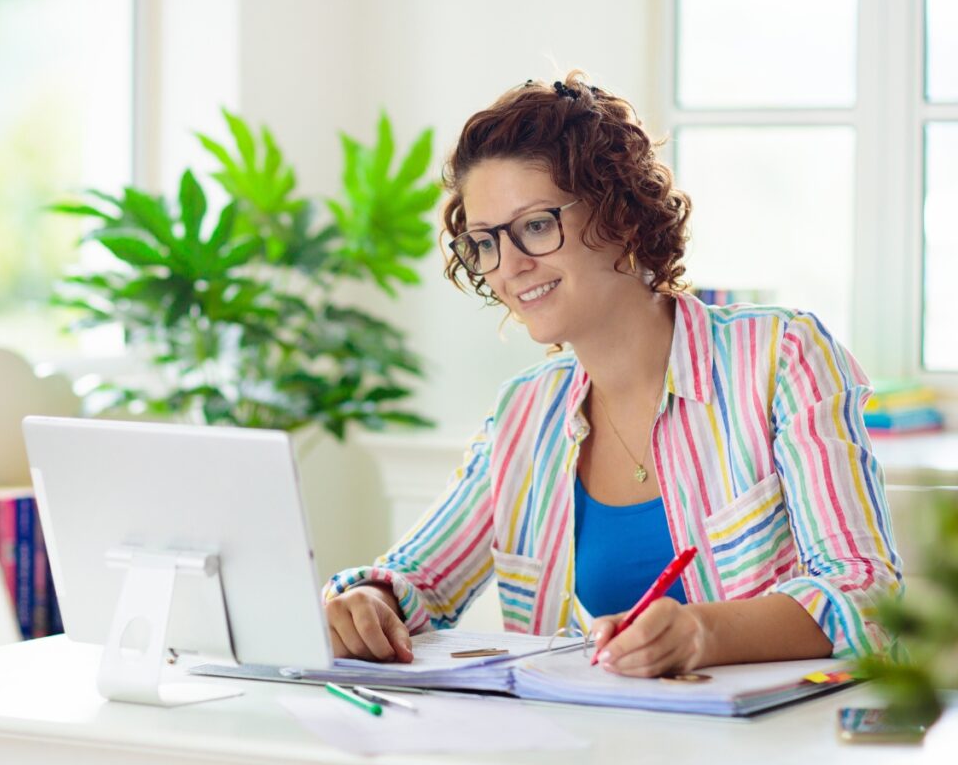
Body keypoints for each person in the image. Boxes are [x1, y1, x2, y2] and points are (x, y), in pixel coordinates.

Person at [323, 72, 902, 678]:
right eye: (485, 242)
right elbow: (416, 578)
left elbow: (865, 597)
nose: (511, 265)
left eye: (537, 225)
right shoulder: (526, 413)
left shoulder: (781, 357)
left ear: (621, 214)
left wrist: (701, 632)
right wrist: (370, 602)